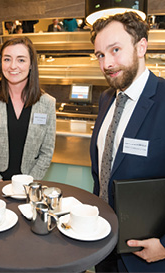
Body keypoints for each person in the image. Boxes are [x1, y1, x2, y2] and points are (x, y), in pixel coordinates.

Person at [90, 12, 165, 272]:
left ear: (141, 46)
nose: (107, 63)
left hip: (147, 257)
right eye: (100, 54)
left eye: (115, 50)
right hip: (102, 244)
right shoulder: (107, 99)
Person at [0, 37, 56, 183]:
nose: (13, 66)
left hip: (27, 186)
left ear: (31, 65)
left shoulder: (47, 103)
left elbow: (46, 153)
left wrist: (27, 185)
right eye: (7, 59)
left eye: (21, 60)